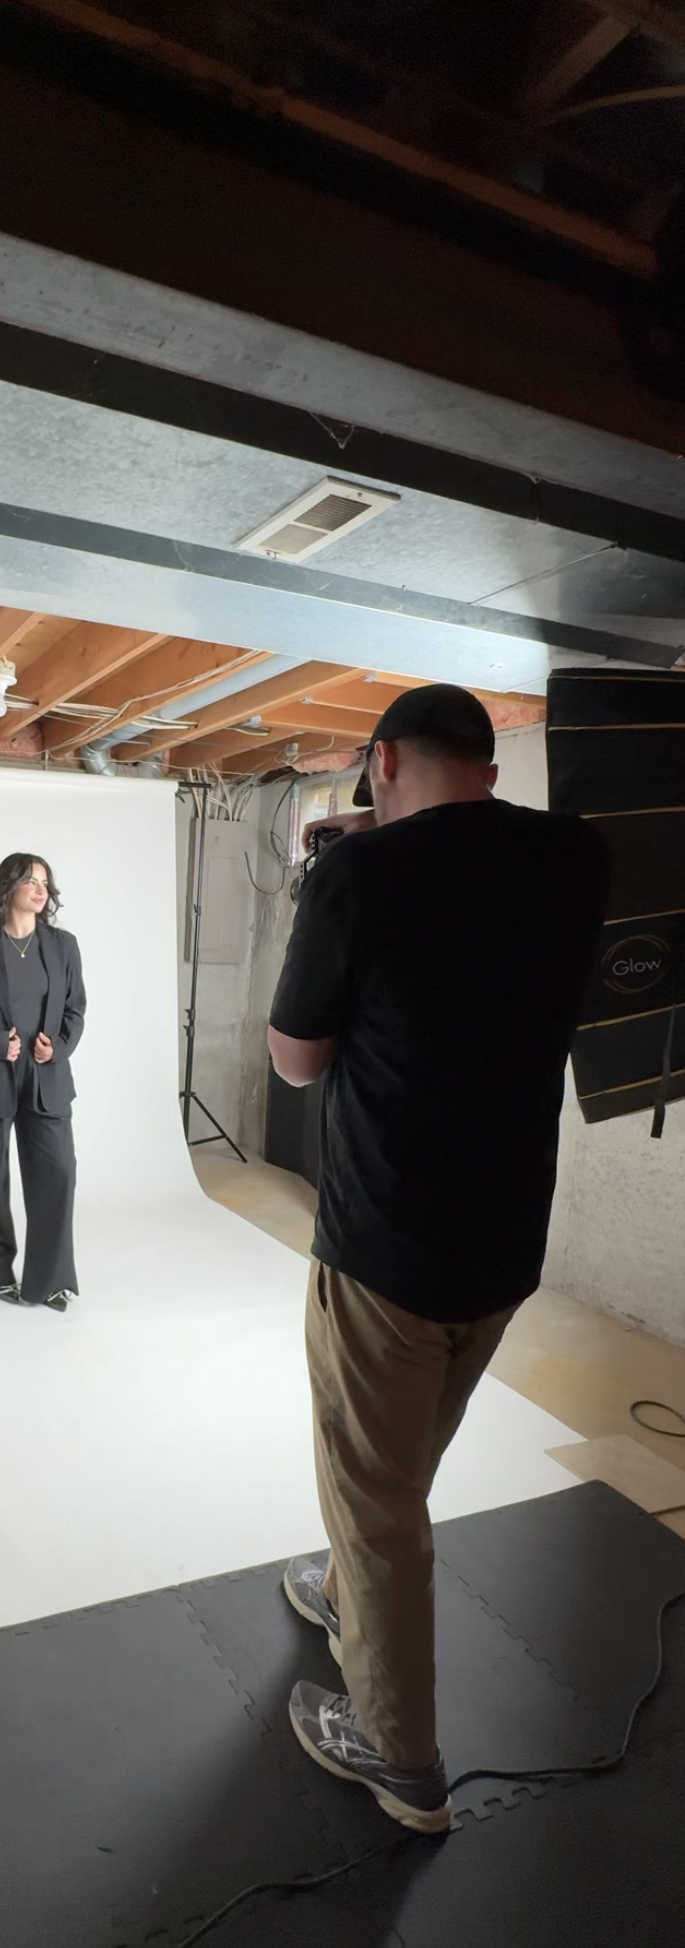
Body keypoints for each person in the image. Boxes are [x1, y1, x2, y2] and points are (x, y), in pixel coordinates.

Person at [268, 684, 608, 1835]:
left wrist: (344, 867)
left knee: (377, 1496)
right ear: (492, 769)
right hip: (504, 1249)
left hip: (384, 1251)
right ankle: (344, 1596)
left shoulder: (357, 883)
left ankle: (398, 1755)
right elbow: (481, 854)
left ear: (380, 762)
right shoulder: (575, 862)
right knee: (399, 1472)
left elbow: (297, 1062)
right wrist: (380, 832)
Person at [0, 853, 86, 1311]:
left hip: (45, 1076)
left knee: (57, 1173)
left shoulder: (64, 946)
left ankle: (50, 1279)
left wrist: (58, 1048)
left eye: (45, 881)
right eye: (30, 879)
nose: (40, 888)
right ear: (9, 888)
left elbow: (75, 1011)